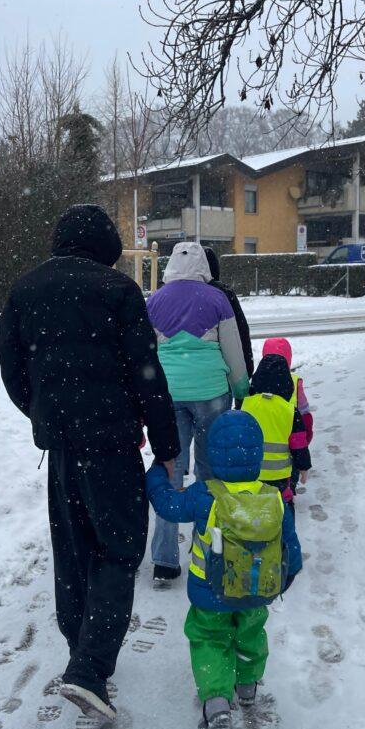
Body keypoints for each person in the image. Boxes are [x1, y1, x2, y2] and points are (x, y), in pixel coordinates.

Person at [0, 204, 179, 721]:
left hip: (63, 448)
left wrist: (42, 410)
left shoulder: (25, 290)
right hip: (112, 445)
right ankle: (89, 669)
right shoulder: (117, 291)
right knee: (119, 549)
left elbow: (9, 363)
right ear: (108, 250)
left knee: (73, 549)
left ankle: (81, 648)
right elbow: (147, 373)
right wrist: (166, 447)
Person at [146, 410, 302, 729]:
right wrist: (283, 581)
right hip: (256, 590)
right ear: (257, 454)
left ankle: (217, 699)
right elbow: (291, 546)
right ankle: (246, 686)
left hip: (210, 594)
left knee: (209, 639)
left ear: (211, 455)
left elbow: (167, 505)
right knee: (250, 635)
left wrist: (156, 475)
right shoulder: (274, 498)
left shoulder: (205, 494)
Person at [146, 242, 251, 584]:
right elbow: (233, 350)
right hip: (210, 393)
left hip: (169, 394)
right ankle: (207, 552)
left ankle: (163, 560)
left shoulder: (155, 301)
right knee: (210, 475)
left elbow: (146, 352)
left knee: (170, 470)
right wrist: (240, 389)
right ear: (204, 265)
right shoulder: (217, 299)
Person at [241, 352, 312, 506]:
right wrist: (304, 467)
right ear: (287, 383)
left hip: (249, 472)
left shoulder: (245, 406)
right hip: (279, 477)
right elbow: (299, 445)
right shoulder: (290, 411)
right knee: (281, 507)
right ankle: (284, 524)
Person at [261, 337, 314, 491]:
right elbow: (305, 415)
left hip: (262, 442)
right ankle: (288, 490)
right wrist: (306, 438)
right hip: (290, 436)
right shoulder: (295, 382)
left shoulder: (257, 381)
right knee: (291, 465)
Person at [204, 247, 254, 381]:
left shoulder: (167, 293)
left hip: (175, 378)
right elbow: (240, 331)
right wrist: (247, 371)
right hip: (218, 375)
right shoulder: (223, 293)